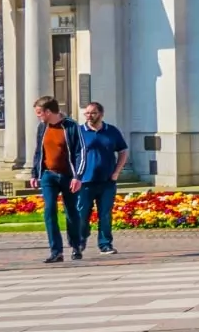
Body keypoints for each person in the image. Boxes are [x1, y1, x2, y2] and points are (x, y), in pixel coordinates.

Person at [29, 96, 85, 264]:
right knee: (49, 211)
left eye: (39, 113)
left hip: (68, 176)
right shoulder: (42, 127)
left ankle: (76, 246)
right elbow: (39, 151)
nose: (38, 116)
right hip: (48, 175)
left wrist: (78, 177)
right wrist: (34, 173)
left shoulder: (70, 126)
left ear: (48, 112)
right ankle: (56, 251)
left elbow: (80, 151)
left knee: (71, 212)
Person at [70, 101, 128, 257]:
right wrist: (74, 176)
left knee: (105, 214)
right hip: (85, 181)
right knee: (82, 214)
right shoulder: (79, 131)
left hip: (107, 181)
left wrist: (117, 172)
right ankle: (79, 242)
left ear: (101, 114)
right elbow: (69, 155)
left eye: (93, 113)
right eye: (87, 113)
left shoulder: (112, 131)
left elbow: (123, 151)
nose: (89, 116)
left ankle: (105, 244)